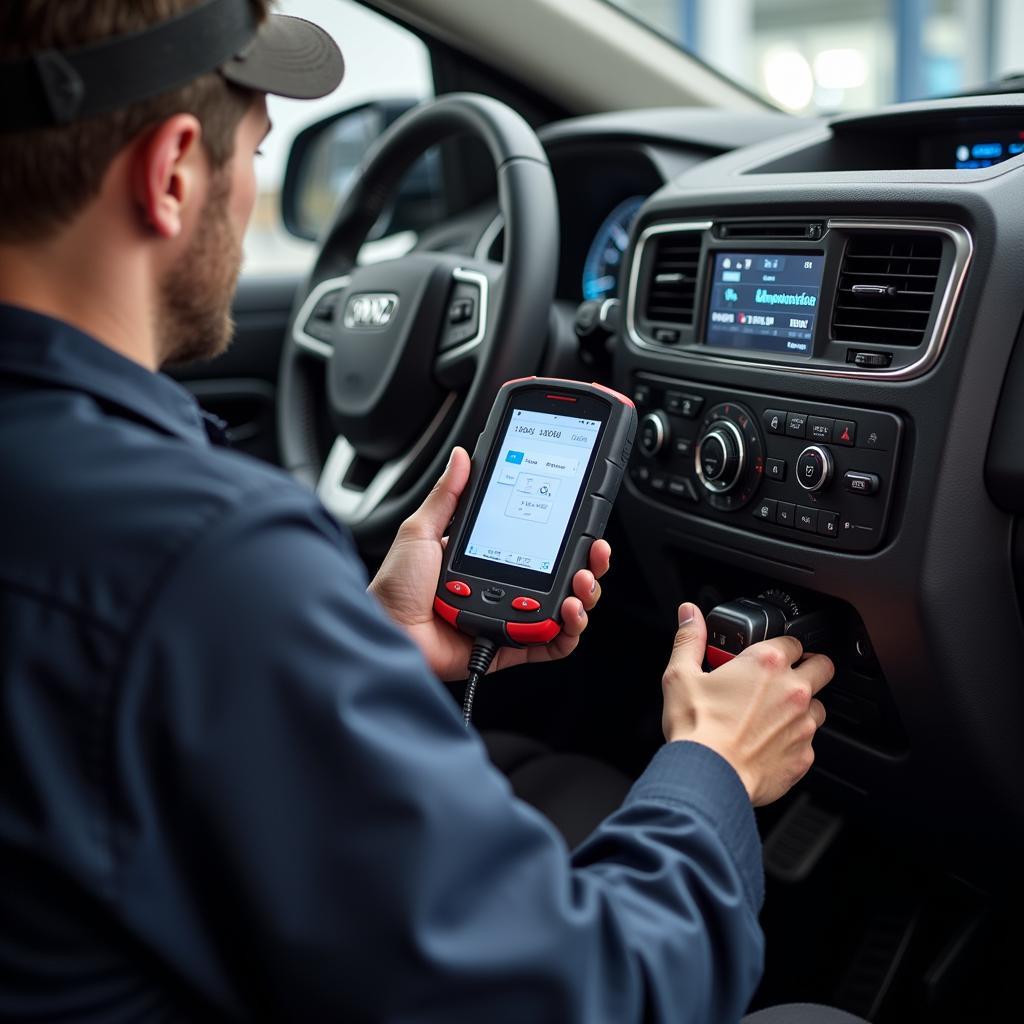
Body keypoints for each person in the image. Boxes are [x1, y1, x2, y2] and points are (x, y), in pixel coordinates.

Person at [0, 2, 852, 1021]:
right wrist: (712, 767)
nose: (249, 187)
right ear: (174, 172)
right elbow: (590, 994)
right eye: (255, 152)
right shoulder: (200, 564)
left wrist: (363, 648)